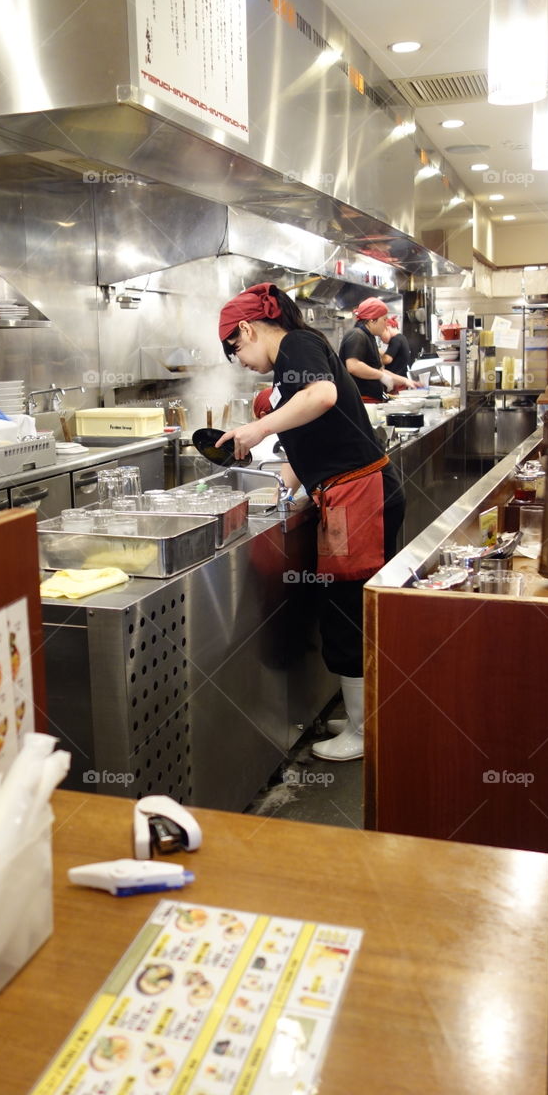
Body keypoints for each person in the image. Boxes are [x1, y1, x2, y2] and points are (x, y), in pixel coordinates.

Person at [215, 282, 404, 761]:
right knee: (348, 609)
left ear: (247, 328)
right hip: (353, 494)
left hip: (359, 497)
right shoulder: (295, 358)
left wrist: (258, 427)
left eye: (234, 348)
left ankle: (364, 733)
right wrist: (283, 490)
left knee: (346, 613)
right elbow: (312, 437)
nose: (238, 360)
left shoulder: (298, 344)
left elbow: (321, 397)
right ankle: (366, 715)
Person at [338, 298, 416, 401]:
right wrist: (381, 376)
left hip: (371, 399)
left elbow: (379, 370)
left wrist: (405, 381)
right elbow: (353, 366)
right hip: (360, 400)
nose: (386, 323)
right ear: (372, 320)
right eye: (384, 319)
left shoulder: (370, 337)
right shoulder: (357, 335)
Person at [381, 310, 414, 382]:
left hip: (397, 380)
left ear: (387, 328)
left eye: (381, 335)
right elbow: (391, 355)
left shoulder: (395, 340)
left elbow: (387, 359)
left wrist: (373, 360)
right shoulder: (401, 338)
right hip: (401, 379)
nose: (381, 340)